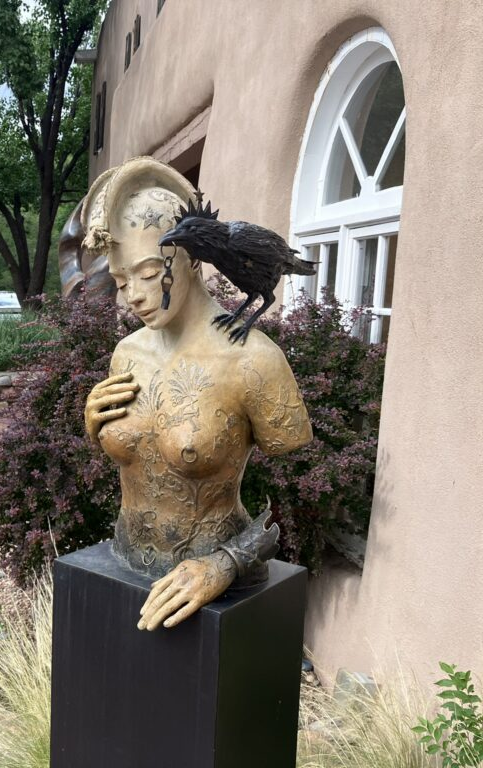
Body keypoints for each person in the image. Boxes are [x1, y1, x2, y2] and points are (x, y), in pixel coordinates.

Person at [82, 157, 313, 631]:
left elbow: (303, 489)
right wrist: (93, 425)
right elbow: (140, 456)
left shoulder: (254, 360)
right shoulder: (126, 354)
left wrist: (227, 563)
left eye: (149, 274)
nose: (133, 295)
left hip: (213, 589)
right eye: (121, 281)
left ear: (190, 259)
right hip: (123, 566)